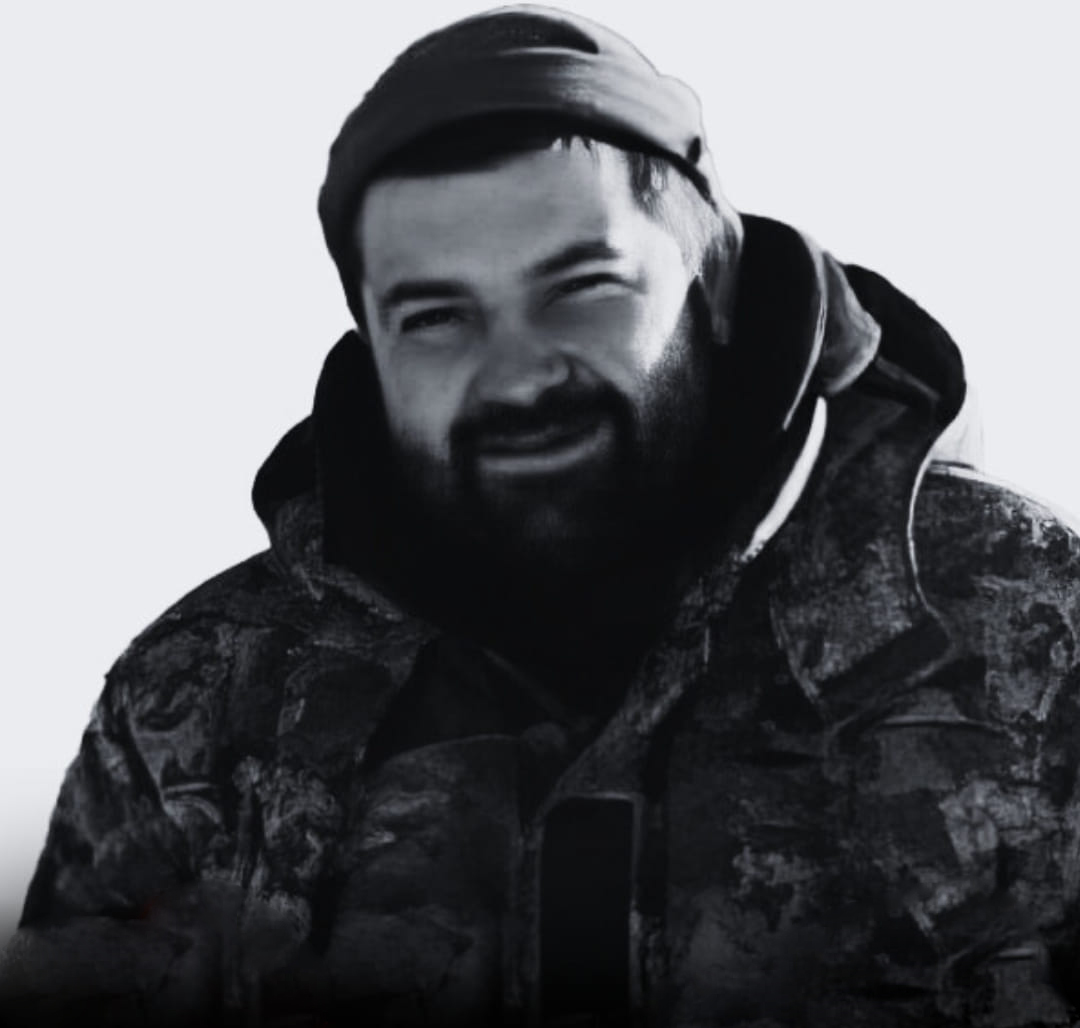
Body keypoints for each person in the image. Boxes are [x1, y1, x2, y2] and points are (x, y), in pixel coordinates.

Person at [3, 6, 1079, 1026]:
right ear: (371, 342)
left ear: (710, 279)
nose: (516, 374)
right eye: (436, 317)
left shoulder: (1030, 627)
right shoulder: (199, 701)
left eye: (581, 290)